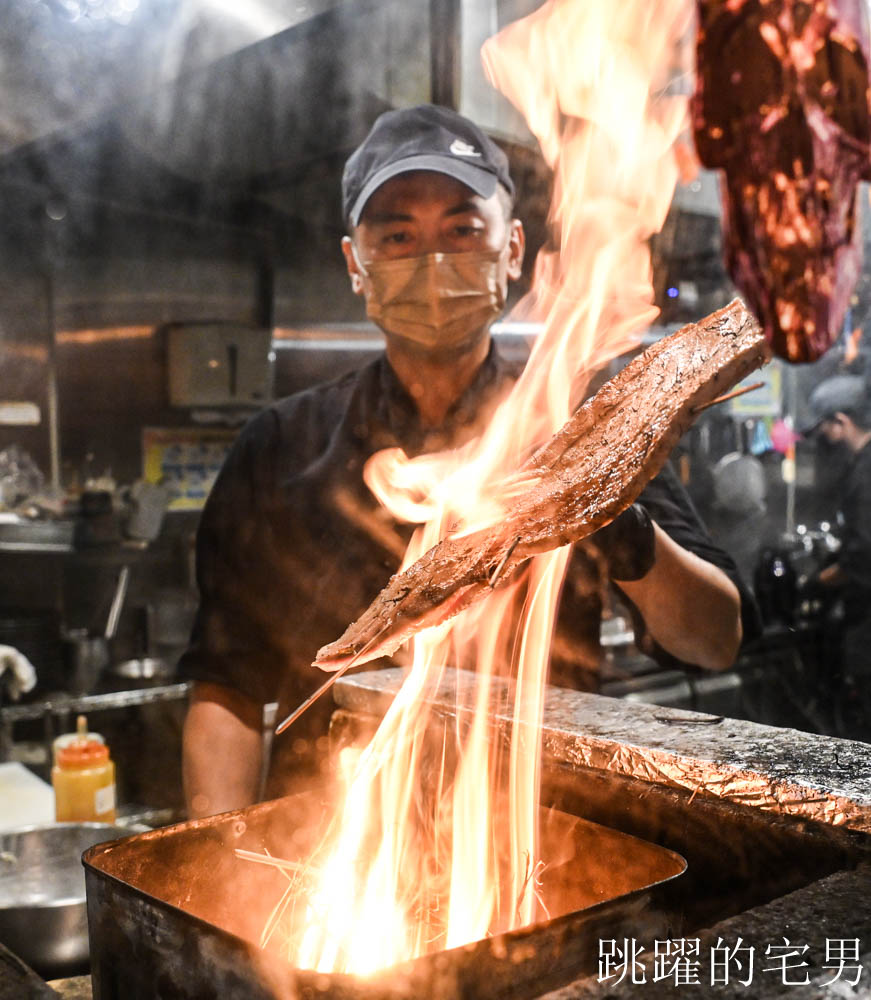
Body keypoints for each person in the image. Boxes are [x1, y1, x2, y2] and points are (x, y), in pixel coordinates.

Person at [179, 105, 756, 818]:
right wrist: (220, 867)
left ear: (511, 248)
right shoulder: (275, 448)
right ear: (354, 264)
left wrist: (604, 512)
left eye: (460, 229)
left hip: (539, 851)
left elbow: (714, 641)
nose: (431, 260)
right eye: (397, 234)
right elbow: (224, 689)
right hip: (328, 865)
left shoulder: (578, 430)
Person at [803, 373, 871, 735]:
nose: (824, 440)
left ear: (842, 422)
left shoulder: (865, 473)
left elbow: (864, 553)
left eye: (825, 429)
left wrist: (818, 583)